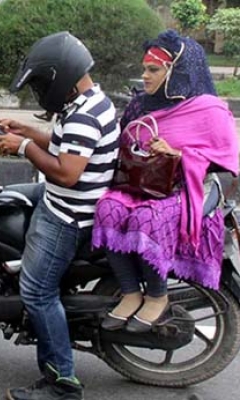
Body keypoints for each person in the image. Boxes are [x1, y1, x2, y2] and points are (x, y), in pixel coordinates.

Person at [0, 32, 120, 400]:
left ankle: (63, 383)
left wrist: (24, 146)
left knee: (37, 291)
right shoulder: (86, 103)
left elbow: (66, 172)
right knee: (5, 198)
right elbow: (65, 145)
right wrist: (26, 130)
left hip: (68, 215)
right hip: (62, 201)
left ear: (61, 75)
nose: (41, 91)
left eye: (43, 82)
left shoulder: (84, 116)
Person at [93, 30, 239, 333]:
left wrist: (178, 153)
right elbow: (122, 141)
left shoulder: (209, 109)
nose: (144, 76)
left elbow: (226, 159)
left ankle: (157, 296)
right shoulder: (140, 106)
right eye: (145, 69)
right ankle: (131, 292)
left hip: (186, 187)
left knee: (147, 218)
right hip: (140, 183)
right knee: (107, 208)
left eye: (153, 70)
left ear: (177, 71)